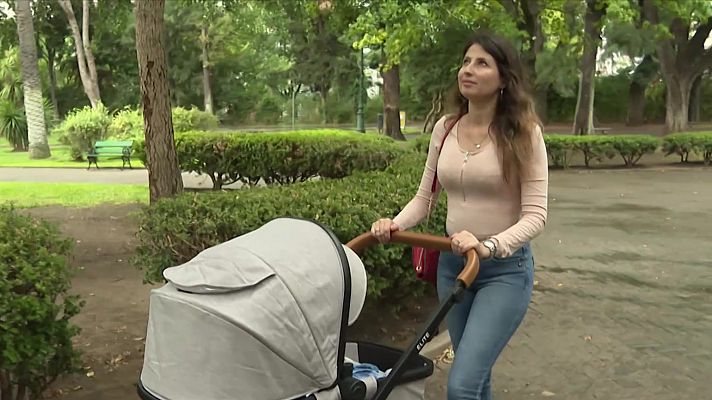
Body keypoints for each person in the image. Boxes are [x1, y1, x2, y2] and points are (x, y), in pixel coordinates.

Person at [370, 30, 548, 400]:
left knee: (462, 383)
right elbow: (424, 199)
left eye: (482, 63)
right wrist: (395, 224)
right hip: (454, 266)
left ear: (504, 78)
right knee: (476, 379)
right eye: (466, 61)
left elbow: (536, 216)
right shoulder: (445, 128)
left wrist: (489, 246)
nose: (468, 69)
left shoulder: (525, 134)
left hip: (504, 273)